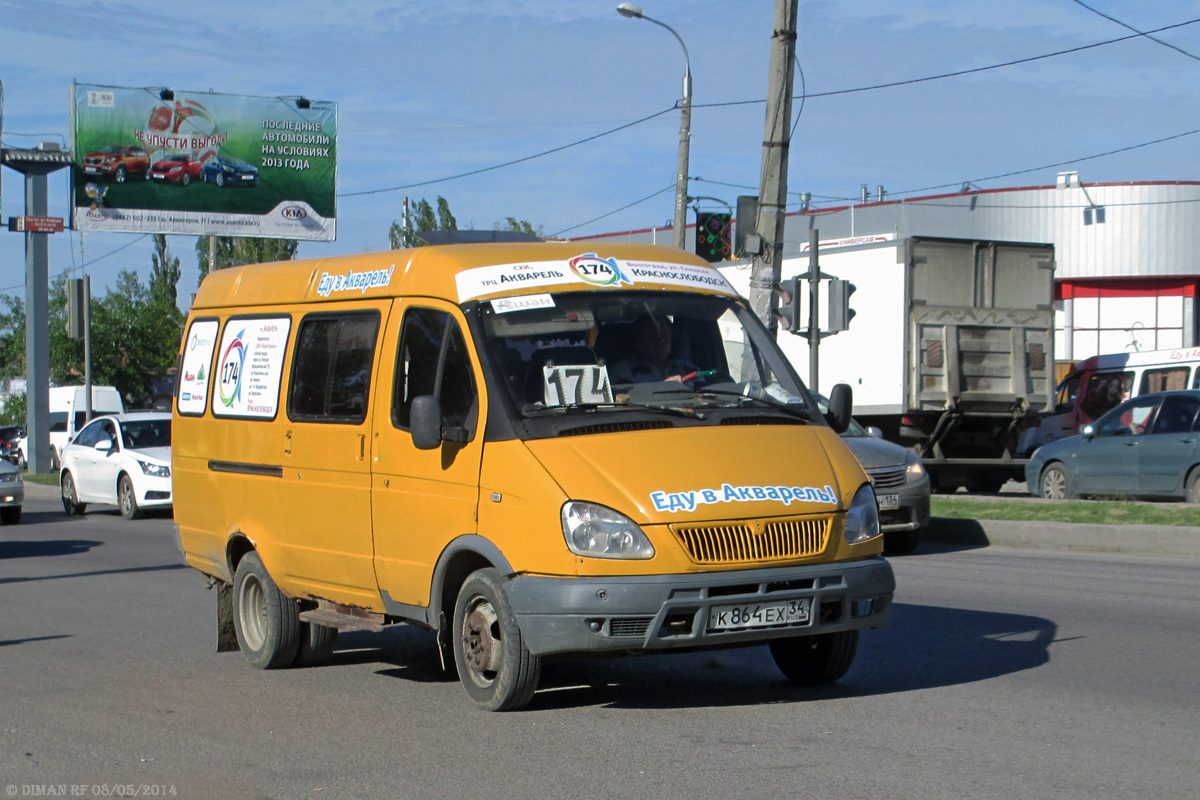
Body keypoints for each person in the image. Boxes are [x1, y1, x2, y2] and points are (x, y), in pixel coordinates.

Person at [608, 314, 698, 385]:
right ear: (638, 339)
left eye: (664, 334)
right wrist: (665, 389)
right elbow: (626, 399)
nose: (660, 340)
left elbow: (704, 398)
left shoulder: (689, 369)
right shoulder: (623, 370)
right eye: (652, 335)